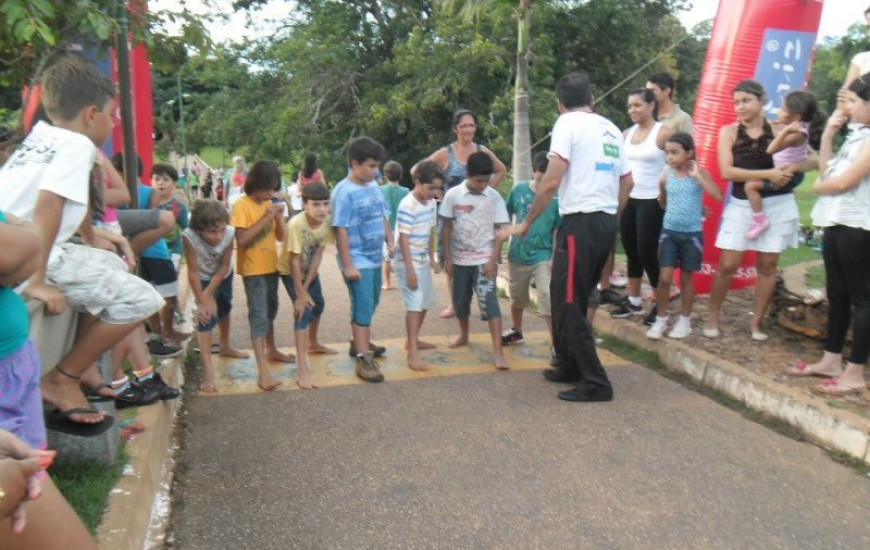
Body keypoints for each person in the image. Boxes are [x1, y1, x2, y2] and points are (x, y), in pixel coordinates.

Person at [0, 54, 164, 432]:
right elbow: (48, 205)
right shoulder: (78, 145)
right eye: (111, 115)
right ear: (91, 114)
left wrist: (97, 239)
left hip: (17, 239)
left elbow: (70, 208)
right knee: (141, 299)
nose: (112, 122)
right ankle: (63, 378)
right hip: (30, 255)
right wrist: (36, 280)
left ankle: (83, 367)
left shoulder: (39, 138)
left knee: (110, 263)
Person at [509, 72, 633, 402]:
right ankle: (567, 365)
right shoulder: (611, 128)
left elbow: (551, 181)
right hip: (604, 222)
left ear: (560, 103)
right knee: (564, 294)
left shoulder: (567, 123)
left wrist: (526, 222)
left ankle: (595, 381)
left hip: (580, 222)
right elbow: (628, 182)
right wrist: (612, 217)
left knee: (568, 302)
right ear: (591, 99)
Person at [703, 80, 818, 341]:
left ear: (762, 100)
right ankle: (712, 316)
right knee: (728, 264)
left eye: (746, 100)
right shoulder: (729, 132)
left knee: (767, 265)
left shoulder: (781, 128)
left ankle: (756, 321)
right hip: (743, 204)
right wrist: (768, 174)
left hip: (778, 204)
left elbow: (813, 158)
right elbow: (727, 172)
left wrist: (793, 168)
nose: (740, 106)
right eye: (736, 102)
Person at [787, 75, 870, 396]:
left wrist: (822, 188)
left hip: (858, 224)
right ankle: (831, 360)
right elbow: (826, 173)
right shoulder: (856, 135)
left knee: (862, 297)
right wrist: (828, 135)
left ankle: (855, 371)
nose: (847, 108)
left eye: (854, 102)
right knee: (837, 292)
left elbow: (844, 182)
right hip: (836, 219)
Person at [419, 109, 508, 319]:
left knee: (483, 256)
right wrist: (437, 192)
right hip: (452, 216)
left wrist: (487, 191)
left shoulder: (482, 150)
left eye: (472, 125)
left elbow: (501, 170)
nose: (468, 129)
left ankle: (486, 302)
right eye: (464, 125)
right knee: (452, 260)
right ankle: (454, 304)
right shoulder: (446, 153)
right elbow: (419, 169)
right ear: (455, 128)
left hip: (479, 216)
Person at [646, 133, 723, 340]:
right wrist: (663, 192)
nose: (670, 157)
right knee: (664, 278)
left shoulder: (700, 173)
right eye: (667, 153)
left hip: (692, 235)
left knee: (687, 279)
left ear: (689, 153)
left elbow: (717, 196)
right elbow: (663, 203)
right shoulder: (666, 176)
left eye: (675, 152)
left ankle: (684, 321)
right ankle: (661, 318)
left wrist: (697, 177)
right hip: (669, 233)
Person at [440, 152, 510, 370]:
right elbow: (446, 227)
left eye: (486, 181)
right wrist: (448, 259)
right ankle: (463, 335)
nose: (483, 185)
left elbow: (501, 231)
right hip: (459, 261)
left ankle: (498, 351)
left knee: (490, 303)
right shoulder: (453, 195)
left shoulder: (494, 197)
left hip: (484, 261)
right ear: (468, 175)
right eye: (479, 181)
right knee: (460, 303)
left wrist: (492, 260)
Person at [331, 137, 393, 383]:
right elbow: (340, 229)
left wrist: (390, 239)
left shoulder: (374, 185)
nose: (376, 171)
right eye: (371, 166)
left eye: (378, 166)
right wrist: (348, 265)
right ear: (355, 164)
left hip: (375, 256)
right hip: (357, 259)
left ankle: (358, 341)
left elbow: (383, 215)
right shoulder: (343, 192)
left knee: (372, 300)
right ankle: (363, 358)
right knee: (364, 305)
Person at [231, 160, 295, 391]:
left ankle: (272, 350)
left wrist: (278, 219)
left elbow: (280, 237)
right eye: (267, 188)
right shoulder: (241, 205)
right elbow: (241, 240)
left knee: (270, 310)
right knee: (258, 315)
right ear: (255, 183)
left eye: (273, 188)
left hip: (270, 267)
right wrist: (265, 219)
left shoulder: (268, 204)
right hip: (253, 270)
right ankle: (262, 370)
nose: (271, 192)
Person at [610, 88, 673, 325]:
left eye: (637, 105)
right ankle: (634, 300)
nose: (632, 110)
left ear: (651, 105)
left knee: (648, 252)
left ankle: (661, 304)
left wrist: (667, 190)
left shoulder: (663, 133)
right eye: (629, 106)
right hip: (629, 198)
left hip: (652, 199)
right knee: (631, 250)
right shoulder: (626, 134)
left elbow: (681, 161)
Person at [182, 199, 249, 393]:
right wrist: (201, 301)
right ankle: (208, 372)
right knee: (205, 319)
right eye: (212, 232)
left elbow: (224, 265)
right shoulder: (188, 236)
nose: (219, 236)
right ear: (199, 229)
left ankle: (225, 346)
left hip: (223, 276)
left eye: (221, 230)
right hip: (201, 278)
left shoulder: (229, 232)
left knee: (224, 308)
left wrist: (208, 294)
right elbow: (192, 271)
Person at [503, 151, 561, 364]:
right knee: (517, 296)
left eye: (546, 180)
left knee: (546, 295)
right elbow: (507, 213)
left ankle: (556, 343)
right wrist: (505, 233)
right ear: (532, 172)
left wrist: (553, 256)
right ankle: (516, 330)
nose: (541, 184)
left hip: (542, 254)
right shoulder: (518, 190)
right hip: (518, 253)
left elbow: (557, 230)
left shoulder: (557, 197)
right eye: (538, 179)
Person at [278, 183, 337, 389]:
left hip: (309, 270)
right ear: (304, 205)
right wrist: (301, 294)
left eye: (325, 204)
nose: (322, 209)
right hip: (289, 271)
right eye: (316, 204)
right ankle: (302, 366)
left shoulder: (328, 222)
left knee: (318, 304)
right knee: (303, 311)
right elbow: (293, 261)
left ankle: (313, 343)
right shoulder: (295, 224)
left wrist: (308, 285)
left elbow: (318, 254)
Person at [744, 90, 825, 239]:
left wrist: (784, 130)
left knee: (750, 186)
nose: (778, 112)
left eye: (783, 109)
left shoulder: (797, 134)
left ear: (796, 117)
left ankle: (759, 220)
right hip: (787, 170)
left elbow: (771, 149)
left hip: (790, 175)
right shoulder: (798, 129)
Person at [393, 160, 444, 371]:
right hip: (406, 262)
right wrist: (410, 271)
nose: (434, 193)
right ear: (418, 182)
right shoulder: (407, 205)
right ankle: (412, 353)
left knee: (424, 303)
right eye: (431, 188)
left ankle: (412, 340)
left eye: (437, 189)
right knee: (414, 306)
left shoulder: (431, 203)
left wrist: (432, 259)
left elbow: (431, 230)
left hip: (421, 260)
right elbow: (403, 239)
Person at [142, 163, 190, 346]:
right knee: (152, 289)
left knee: (168, 288)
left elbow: (186, 229)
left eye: (165, 179)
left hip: (172, 251)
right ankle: (158, 327)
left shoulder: (178, 207)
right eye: (156, 179)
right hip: (150, 252)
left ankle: (168, 324)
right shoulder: (146, 203)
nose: (160, 183)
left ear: (174, 183)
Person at [380, 160, 408, 290]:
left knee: (386, 258)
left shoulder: (380, 190)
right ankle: (405, 280)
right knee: (404, 256)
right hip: (402, 229)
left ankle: (387, 283)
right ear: (401, 175)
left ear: (385, 175)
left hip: (387, 229)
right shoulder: (406, 191)